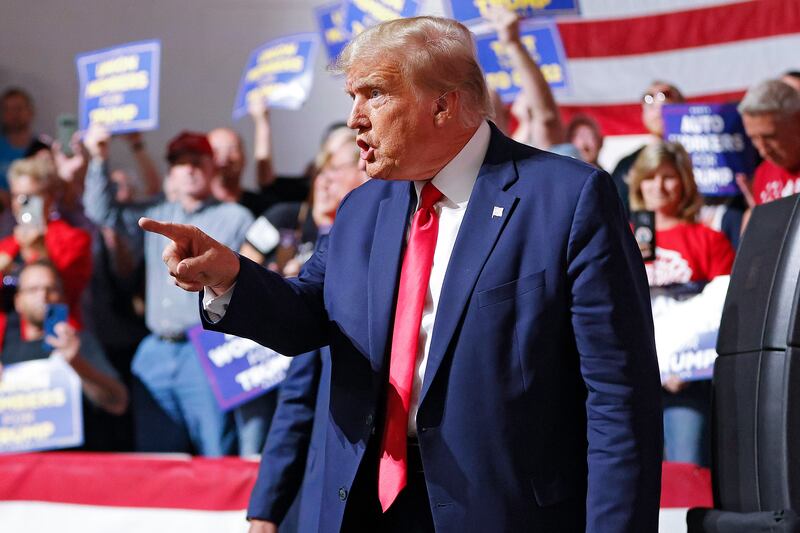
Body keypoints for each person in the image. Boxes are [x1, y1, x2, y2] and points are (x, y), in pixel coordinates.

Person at [141, 16, 662, 533]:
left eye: (374, 94)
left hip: (503, 511)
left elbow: (618, 399)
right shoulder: (362, 208)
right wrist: (231, 276)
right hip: (364, 507)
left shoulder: (568, 198)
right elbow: (305, 317)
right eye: (352, 97)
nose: (354, 118)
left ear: (443, 104)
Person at [84, 130, 253, 456]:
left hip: (207, 345)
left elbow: (250, 283)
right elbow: (101, 213)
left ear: (212, 166)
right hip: (154, 349)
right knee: (157, 456)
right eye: (179, 163)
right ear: (171, 172)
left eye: (197, 161)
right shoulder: (158, 213)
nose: (189, 169)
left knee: (215, 451)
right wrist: (98, 158)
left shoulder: (236, 218)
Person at [628, 140, 734, 466]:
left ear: (685, 182)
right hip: (629, 379)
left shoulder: (709, 239)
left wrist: (684, 367)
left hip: (684, 383)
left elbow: (723, 311)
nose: (658, 186)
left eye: (669, 177)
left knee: (685, 471)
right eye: (650, 177)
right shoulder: (617, 237)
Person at [0, 261, 129, 449]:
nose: (43, 296)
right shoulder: (5, 350)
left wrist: (77, 363)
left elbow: (118, 402)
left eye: (51, 289)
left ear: (62, 298)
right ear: (18, 301)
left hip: (72, 461)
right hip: (20, 463)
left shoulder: (79, 343)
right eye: (33, 289)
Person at [0, 157, 92, 326]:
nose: (22, 203)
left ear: (49, 198)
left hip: (53, 330)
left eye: (30, 197)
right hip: (11, 336)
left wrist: (38, 250)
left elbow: (67, 291)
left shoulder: (73, 239)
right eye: (17, 196)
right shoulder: (6, 246)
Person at [612, 81, 685, 213]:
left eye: (666, 97)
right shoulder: (627, 165)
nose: (658, 107)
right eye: (650, 102)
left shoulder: (705, 158)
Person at [738, 79, 800, 206]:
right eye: (754, 138)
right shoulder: (763, 174)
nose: (763, 150)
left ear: (797, 121)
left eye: (770, 137)